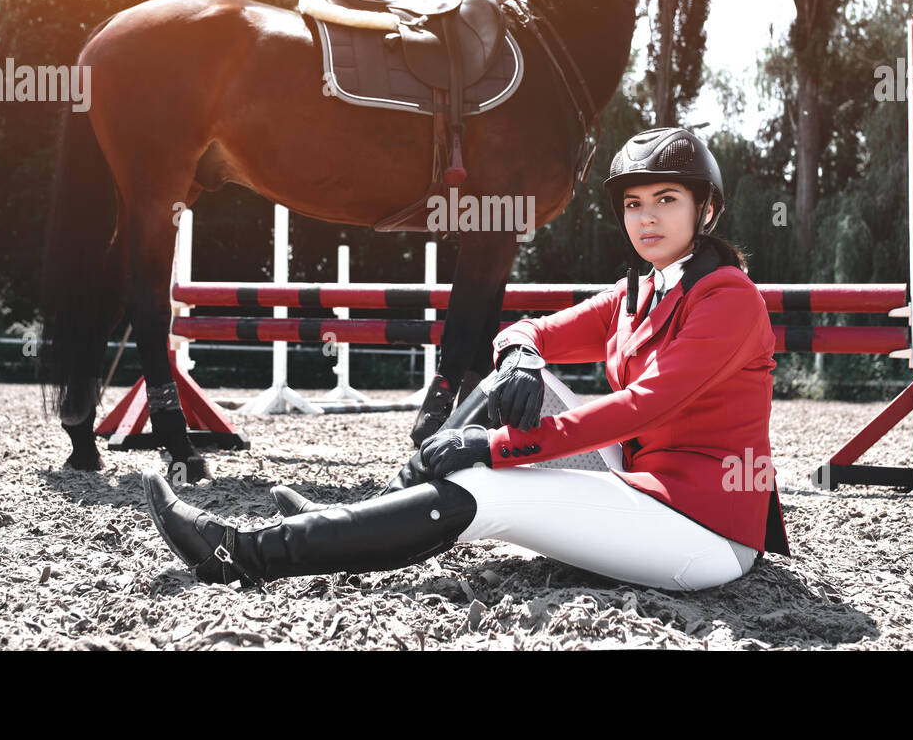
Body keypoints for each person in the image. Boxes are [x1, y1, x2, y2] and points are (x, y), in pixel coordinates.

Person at [144, 126, 791, 591]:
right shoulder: (640, 291)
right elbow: (528, 328)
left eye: (666, 200)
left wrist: (495, 447)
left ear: (706, 208)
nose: (646, 218)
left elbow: (641, 407)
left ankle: (245, 553)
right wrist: (523, 359)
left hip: (701, 531)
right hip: (646, 482)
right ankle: (343, 524)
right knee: (505, 386)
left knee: (484, 486)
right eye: (633, 203)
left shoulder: (728, 298)